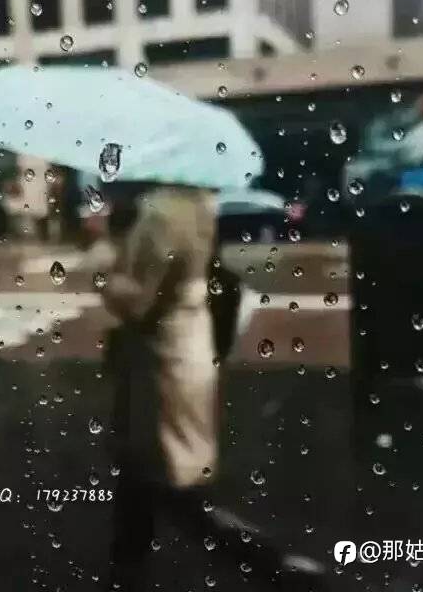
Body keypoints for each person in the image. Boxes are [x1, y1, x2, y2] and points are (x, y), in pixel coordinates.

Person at [102, 185, 328, 591]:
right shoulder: (197, 204)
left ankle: (271, 564)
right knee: (138, 480)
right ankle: (125, 572)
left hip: (160, 366)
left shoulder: (161, 213)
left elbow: (136, 300)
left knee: (174, 490)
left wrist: (104, 263)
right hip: (181, 353)